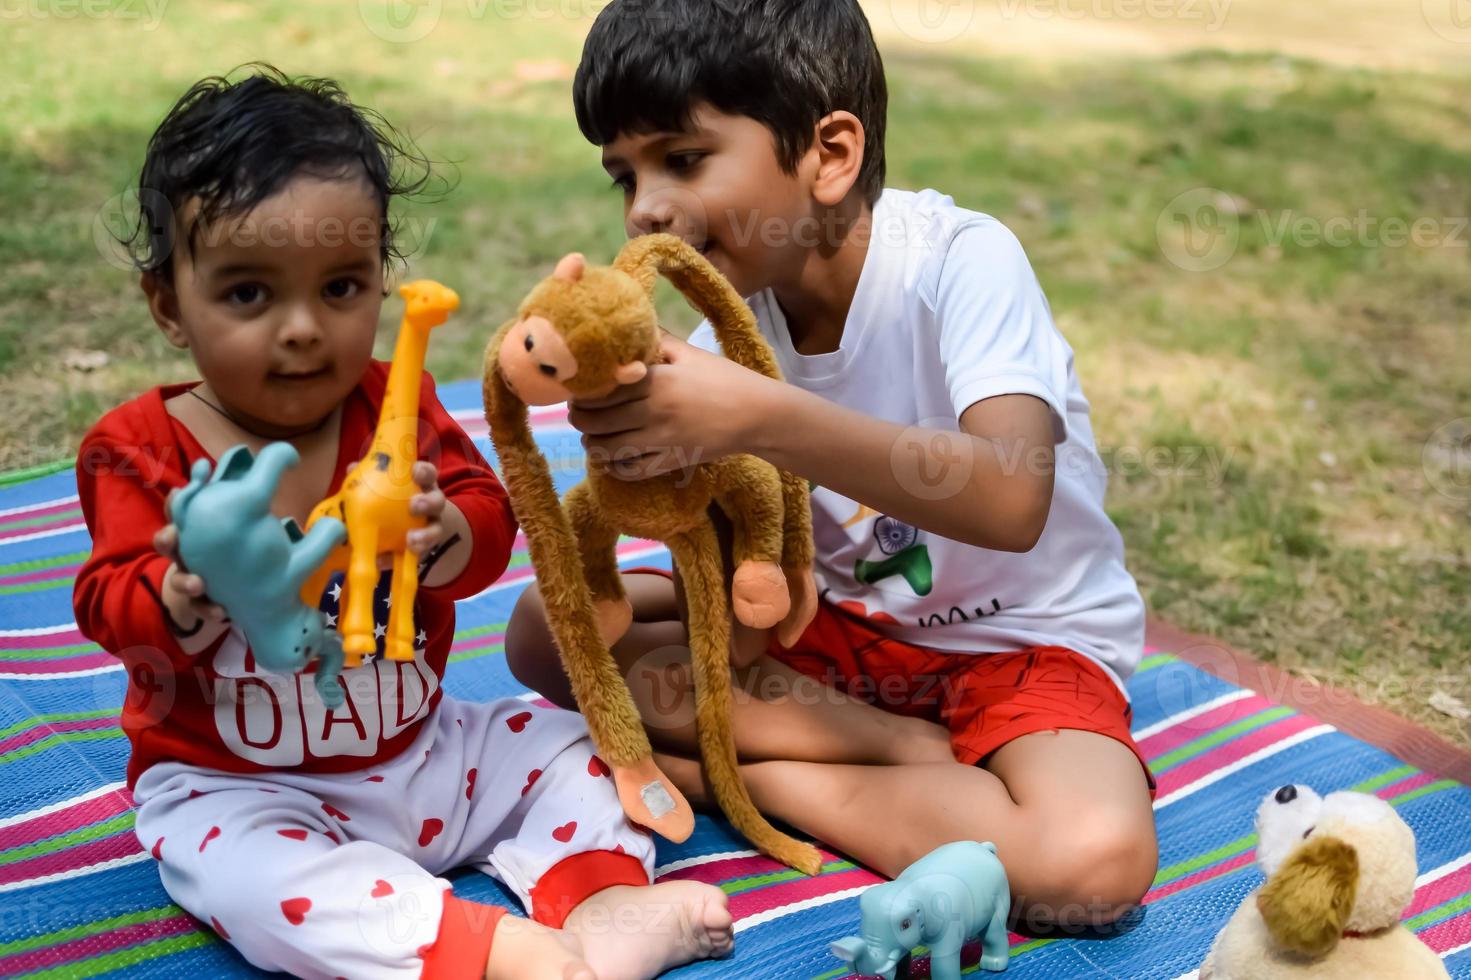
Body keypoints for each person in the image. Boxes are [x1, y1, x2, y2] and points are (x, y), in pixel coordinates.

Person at [507, 0, 1159, 929]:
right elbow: (746, 584)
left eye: (682, 159)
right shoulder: (719, 336)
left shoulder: (959, 263)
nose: (645, 206)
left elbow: (1013, 496)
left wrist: (758, 415)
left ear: (830, 154)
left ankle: (743, 779)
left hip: (1019, 647)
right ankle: (894, 749)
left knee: (1087, 860)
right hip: (830, 642)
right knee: (545, 625)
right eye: (625, 175)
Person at [73, 66, 732, 980]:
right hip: (244, 783)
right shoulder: (138, 447)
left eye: (340, 287)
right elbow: (107, 603)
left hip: (425, 751)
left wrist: (447, 530)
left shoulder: (400, 404)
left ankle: (602, 903)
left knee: (574, 743)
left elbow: (486, 514)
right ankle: (494, 953)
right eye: (249, 295)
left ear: (380, 283)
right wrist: (186, 591)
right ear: (167, 304)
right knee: (258, 884)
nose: (302, 329)